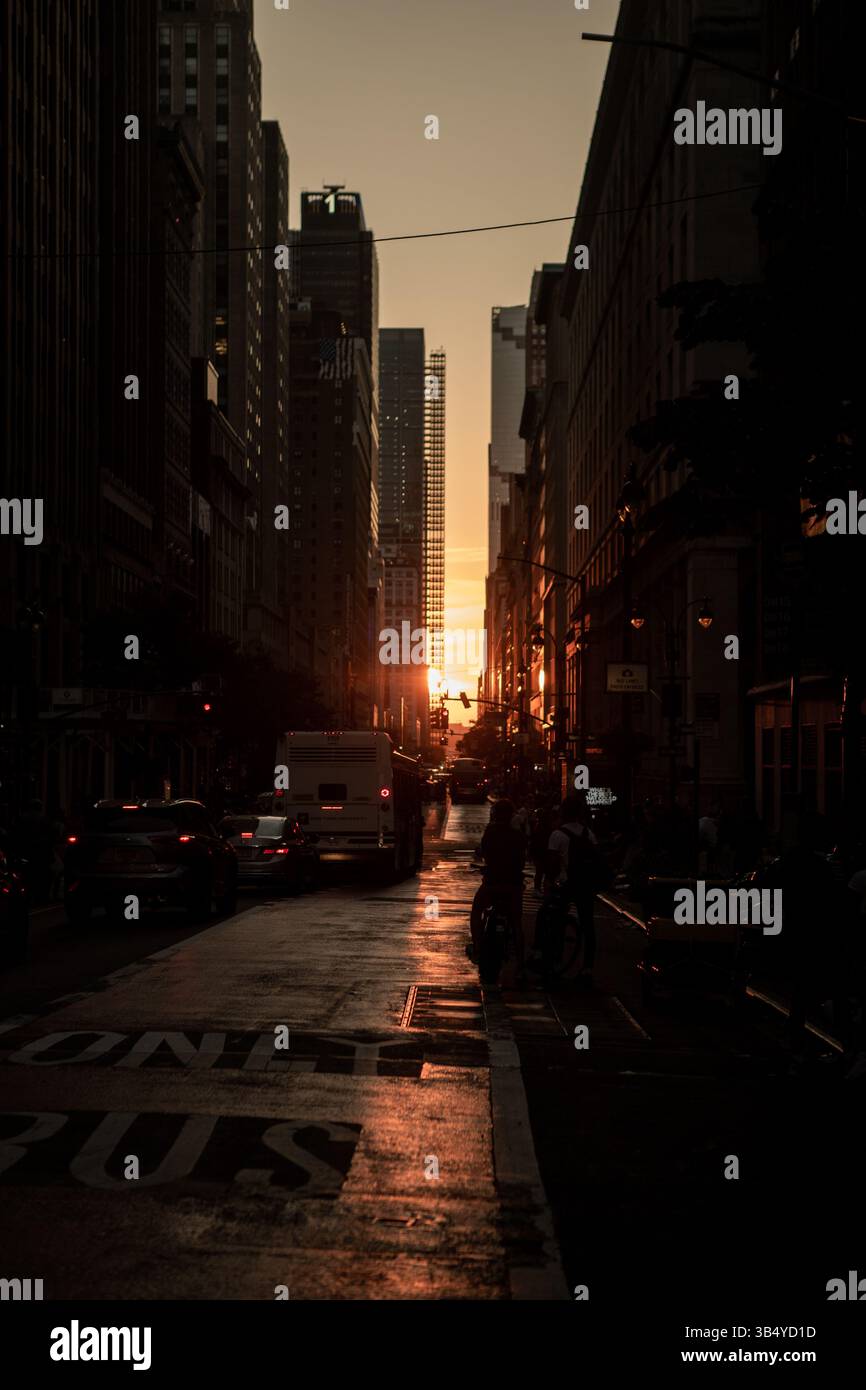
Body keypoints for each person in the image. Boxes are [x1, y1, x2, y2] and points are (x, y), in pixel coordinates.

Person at [546, 793, 601, 985]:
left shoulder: (558, 835)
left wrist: (549, 882)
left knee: (555, 921)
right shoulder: (589, 834)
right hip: (585, 885)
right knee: (588, 926)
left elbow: (552, 865)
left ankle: (554, 959)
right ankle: (587, 967)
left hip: (565, 884)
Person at [469, 798, 526, 976]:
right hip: (513, 884)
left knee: (476, 910)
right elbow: (522, 859)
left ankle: (477, 946)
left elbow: (483, 851)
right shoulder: (517, 835)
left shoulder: (490, 832)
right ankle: (521, 962)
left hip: (492, 883)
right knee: (516, 922)